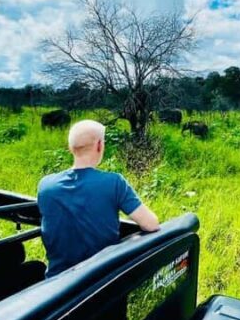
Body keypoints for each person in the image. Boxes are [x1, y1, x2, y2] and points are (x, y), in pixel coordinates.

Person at [38, 119, 160, 278]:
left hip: (57, 283)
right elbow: (151, 224)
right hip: (100, 281)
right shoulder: (114, 182)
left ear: (70, 148)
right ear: (99, 145)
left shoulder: (45, 185)